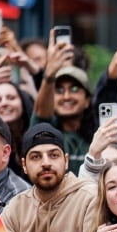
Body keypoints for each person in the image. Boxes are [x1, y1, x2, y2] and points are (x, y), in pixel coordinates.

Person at [0, 123, 97, 232]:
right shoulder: (17, 207)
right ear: (24, 165)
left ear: (66, 161)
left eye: (54, 155)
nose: (46, 163)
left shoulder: (89, 198)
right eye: (36, 157)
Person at [34, 30, 97, 175]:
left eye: (74, 89)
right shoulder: (45, 132)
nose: (66, 96)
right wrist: (49, 74)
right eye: (59, 90)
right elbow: (42, 112)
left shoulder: (98, 135)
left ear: (87, 100)